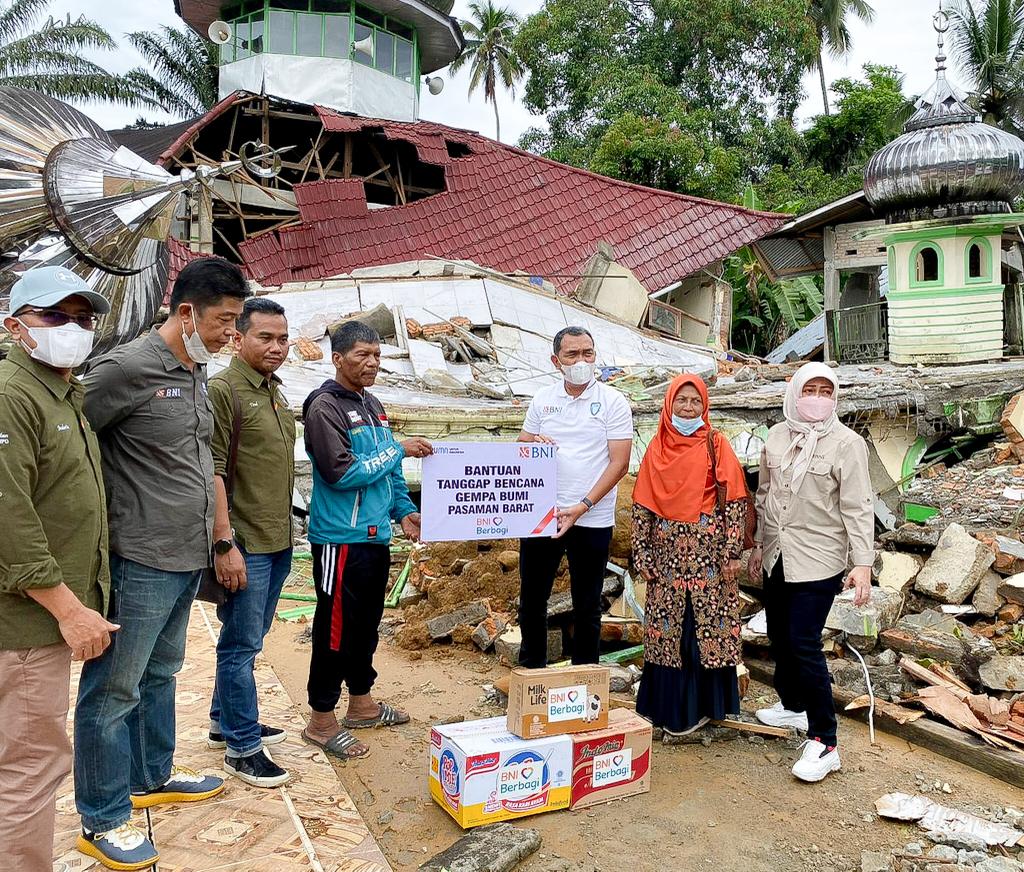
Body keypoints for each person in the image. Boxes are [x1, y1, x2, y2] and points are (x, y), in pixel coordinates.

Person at [74, 257, 250, 870]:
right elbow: (73, 442)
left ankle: (151, 774)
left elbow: (197, 460)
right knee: (114, 689)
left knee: (162, 672)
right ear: (185, 313)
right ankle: (103, 815)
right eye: (225, 321)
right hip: (140, 556)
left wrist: (220, 538)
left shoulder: (196, 370)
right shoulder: (126, 369)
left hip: (186, 555)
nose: (232, 334)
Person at [0, 267, 118, 872]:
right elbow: (8, 515)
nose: (72, 328)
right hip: (23, 621)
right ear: (15, 326)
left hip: (36, 617)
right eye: (54, 316)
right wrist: (69, 609)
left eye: (82, 317)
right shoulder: (12, 393)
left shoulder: (60, 391)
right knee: (28, 766)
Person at [301, 321, 431, 761]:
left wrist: (404, 511)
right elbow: (342, 473)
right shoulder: (324, 408)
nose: (373, 363)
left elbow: (388, 472)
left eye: (377, 355)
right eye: (362, 355)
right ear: (337, 358)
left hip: (376, 537)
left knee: (365, 625)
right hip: (340, 540)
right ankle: (321, 720)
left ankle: (362, 703)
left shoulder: (372, 404)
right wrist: (398, 449)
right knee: (334, 629)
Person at [748, 362, 874, 783]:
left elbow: (857, 506)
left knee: (803, 642)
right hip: (777, 555)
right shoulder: (778, 435)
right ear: (795, 393)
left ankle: (826, 740)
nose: (817, 397)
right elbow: (765, 493)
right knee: (780, 635)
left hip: (819, 559)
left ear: (834, 398)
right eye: (810, 389)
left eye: (825, 390)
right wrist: (757, 547)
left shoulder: (847, 443)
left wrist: (861, 563)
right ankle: (793, 706)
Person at [207, 298, 296, 788]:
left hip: (278, 537)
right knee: (240, 645)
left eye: (282, 338)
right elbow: (214, 470)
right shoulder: (225, 390)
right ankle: (243, 747)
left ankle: (225, 720)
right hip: (246, 543)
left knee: (250, 639)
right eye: (265, 337)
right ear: (238, 338)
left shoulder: (274, 391)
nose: (277, 347)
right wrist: (225, 543)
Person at [631, 374, 749, 735]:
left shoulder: (716, 444)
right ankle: (665, 709)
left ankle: (703, 708)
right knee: (667, 630)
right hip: (666, 557)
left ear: (705, 406)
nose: (687, 408)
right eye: (681, 401)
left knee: (705, 628)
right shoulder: (656, 447)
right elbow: (642, 506)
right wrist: (642, 553)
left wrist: (732, 553)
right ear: (669, 404)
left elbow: (735, 501)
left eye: (695, 402)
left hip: (709, 556)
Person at [517, 326, 633, 667]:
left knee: (587, 602)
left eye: (588, 353)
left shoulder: (613, 402)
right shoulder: (543, 400)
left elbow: (620, 462)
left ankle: (585, 675)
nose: (581, 361)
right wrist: (532, 444)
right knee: (532, 599)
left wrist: (583, 506)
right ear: (556, 361)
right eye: (572, 355)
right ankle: (532, 671)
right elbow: (522, 445)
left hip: (592, 517)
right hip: (543, 515)